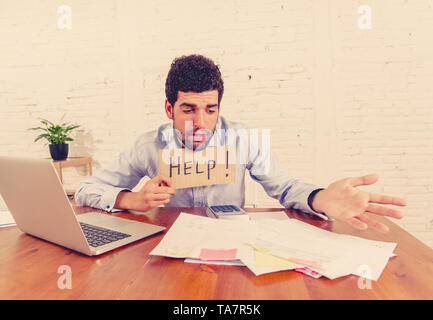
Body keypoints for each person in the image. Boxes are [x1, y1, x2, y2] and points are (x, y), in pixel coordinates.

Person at [75, 54, 406, 233]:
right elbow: (87, 190)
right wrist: (133, 199)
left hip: (231, 242)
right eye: (188, 109)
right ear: (168, 108)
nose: (201, 122)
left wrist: (320, 198)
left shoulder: (244, 140)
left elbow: (287, 187)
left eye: (211, 109)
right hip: (167, 244)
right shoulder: (148, 146)